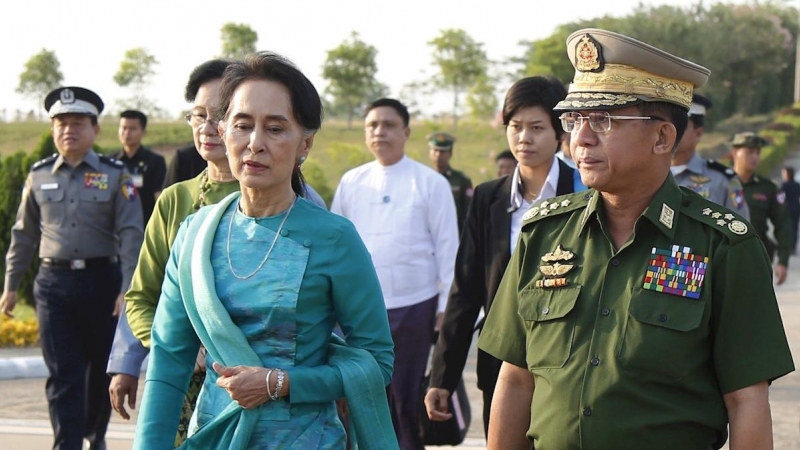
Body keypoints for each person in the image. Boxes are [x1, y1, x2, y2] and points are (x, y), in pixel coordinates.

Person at [478, 28, 794, 450]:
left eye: (604, 120)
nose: (581, 139)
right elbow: (516, 379)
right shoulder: (543, 234)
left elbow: (746, 401)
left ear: (662, 137)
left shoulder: (723, 244)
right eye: (574, 120)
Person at [133, 51, 396, 450]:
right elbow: (169, 360)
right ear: (223, 133)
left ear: (303, 144)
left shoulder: (334, 238)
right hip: (214, 437)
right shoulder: (194, 234)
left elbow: (376, 360)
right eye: (243, 125)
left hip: (307, 440)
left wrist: (282, 383)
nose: (255, 143)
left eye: (275, 129)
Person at [425, 76, 586, 438]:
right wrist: (442, 378)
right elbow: (465, 290)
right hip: (501, 365)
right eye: (516, 127)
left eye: (536, 127)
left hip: (567, 365)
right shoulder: (487, 198)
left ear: (560, 130)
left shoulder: (584, 192)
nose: (524, 138)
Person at [1, 86, 144, 450]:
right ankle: (66, 444)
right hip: (54, 285)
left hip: (102, 283)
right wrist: (11, 284)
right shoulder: (38, 176)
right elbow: (24, 234)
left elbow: (131, 235)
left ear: (95, 130)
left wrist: (128, 287)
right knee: (64, 374)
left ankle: (94, 437)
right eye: (61, 123)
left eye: (77, 123)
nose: (69, 130)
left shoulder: (116, 176)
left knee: (99, 372)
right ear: (52, 130)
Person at [116, 59, 240, 445]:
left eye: (220, 116)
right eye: (198, 115)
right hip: (177, 379)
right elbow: (141, 296)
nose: (207, 127)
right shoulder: (175, 200)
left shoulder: (289, 200)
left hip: (254, 384)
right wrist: (154, 353)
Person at [331, 98, 459, 450]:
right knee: (361, 397)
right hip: (361, 310)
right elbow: (335, 248)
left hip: (414, 306)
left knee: (405, 399)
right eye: (372, 125)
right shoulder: (352, 181)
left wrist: (446, 305)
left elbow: (449, 248)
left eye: (388, 125)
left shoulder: (429, 183)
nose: (380, 132)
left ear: (406, 132)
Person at [670, 94, 750, 219]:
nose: (671, 131)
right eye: (666, 125)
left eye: (680, 126)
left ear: (698, 133)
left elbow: (741, 232)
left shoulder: (723, 180)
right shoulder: (646, 176)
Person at [732, 131, 792, 285]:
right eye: (750, 151)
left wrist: (783, 260)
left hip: (757, 260)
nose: (755, 157)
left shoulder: (768, 188)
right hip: (723, 258)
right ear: (735, 152)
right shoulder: (721, 184)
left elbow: (783, 223)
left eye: (758, 152)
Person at [113, 110, 168, 225]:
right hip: (116, 226)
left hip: (145, 224)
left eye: (132, 129)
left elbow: (159, 196)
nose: (127, 133)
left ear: (143, 132)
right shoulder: (111, 162)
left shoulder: (155, 161)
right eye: (123, 128)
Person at [428, 132, 473, 234]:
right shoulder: (423, 179)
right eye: (435, 150)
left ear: (450, 153)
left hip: (454, 233)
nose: (438, 155)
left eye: (443, 151)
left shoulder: (461, 180)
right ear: (430, 152)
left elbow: (468, 211)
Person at [780, 166, 800, 253]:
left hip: (787, 209)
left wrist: (781, 204)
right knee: (795, 228)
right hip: (796, 208)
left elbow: (779, 197)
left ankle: (786, 246)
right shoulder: (797, 185)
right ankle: (793, 247)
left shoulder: (784, 185)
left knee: (786, 228)